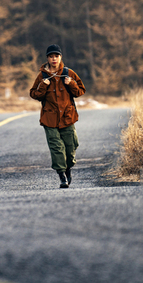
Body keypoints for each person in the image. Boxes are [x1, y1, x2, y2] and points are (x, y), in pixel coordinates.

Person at [29, 44, 86, 188]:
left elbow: (80, 91)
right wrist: (43, 86)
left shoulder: (68, 73)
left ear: (60, 57)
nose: (54, 59)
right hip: (50, 119)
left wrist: (71, 83)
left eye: (56, 56)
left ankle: (68, 169)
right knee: (56, 148)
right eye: (51, 56)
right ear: (47, 58)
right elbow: (34, 94)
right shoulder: (42, 76)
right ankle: (61, 176)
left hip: (67, 117)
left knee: (71, 146)